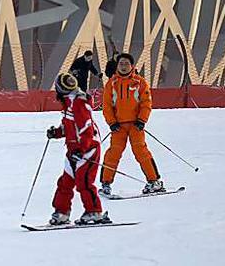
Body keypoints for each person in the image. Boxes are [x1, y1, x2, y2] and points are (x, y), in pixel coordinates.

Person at [46, 73, 110, 225]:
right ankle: (61, 213)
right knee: (65, 182)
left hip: (88, 149)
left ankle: (94, 212)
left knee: (84, 182)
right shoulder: (68, 102)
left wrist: (82, 150)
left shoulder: (79, 103)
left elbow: (86, 128)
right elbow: (69, 126)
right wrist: (56, 132)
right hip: (73, 149)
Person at [100, 53, 165, 195]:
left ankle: (154, 181)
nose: (123, 66)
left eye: (126, 64)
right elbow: (107, 106)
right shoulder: (111, 84)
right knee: (113, 153)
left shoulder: (140, 83)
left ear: (132, 66)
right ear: (117, 66)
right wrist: (111, 122)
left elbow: (146, 103)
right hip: (118, 126)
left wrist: (142, 120)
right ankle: (105, 184)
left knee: (141, 152)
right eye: (121, 64)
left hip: (136, 125)